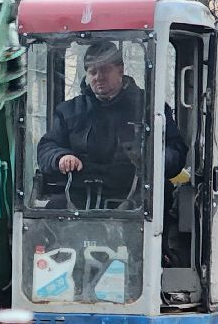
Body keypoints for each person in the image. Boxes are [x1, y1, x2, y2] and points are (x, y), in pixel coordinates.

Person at [36, 40, 187, 206]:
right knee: (53, 209)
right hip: (79, 197)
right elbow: (47, 147)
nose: (98, 77)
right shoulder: (69, 111)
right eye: (93, 72)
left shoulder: (150, 109)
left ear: (121, 70)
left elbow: (176, 152)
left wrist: (150, 158)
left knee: (156, 206)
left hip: (137, 197)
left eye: (105, 70)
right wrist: (60, 157)